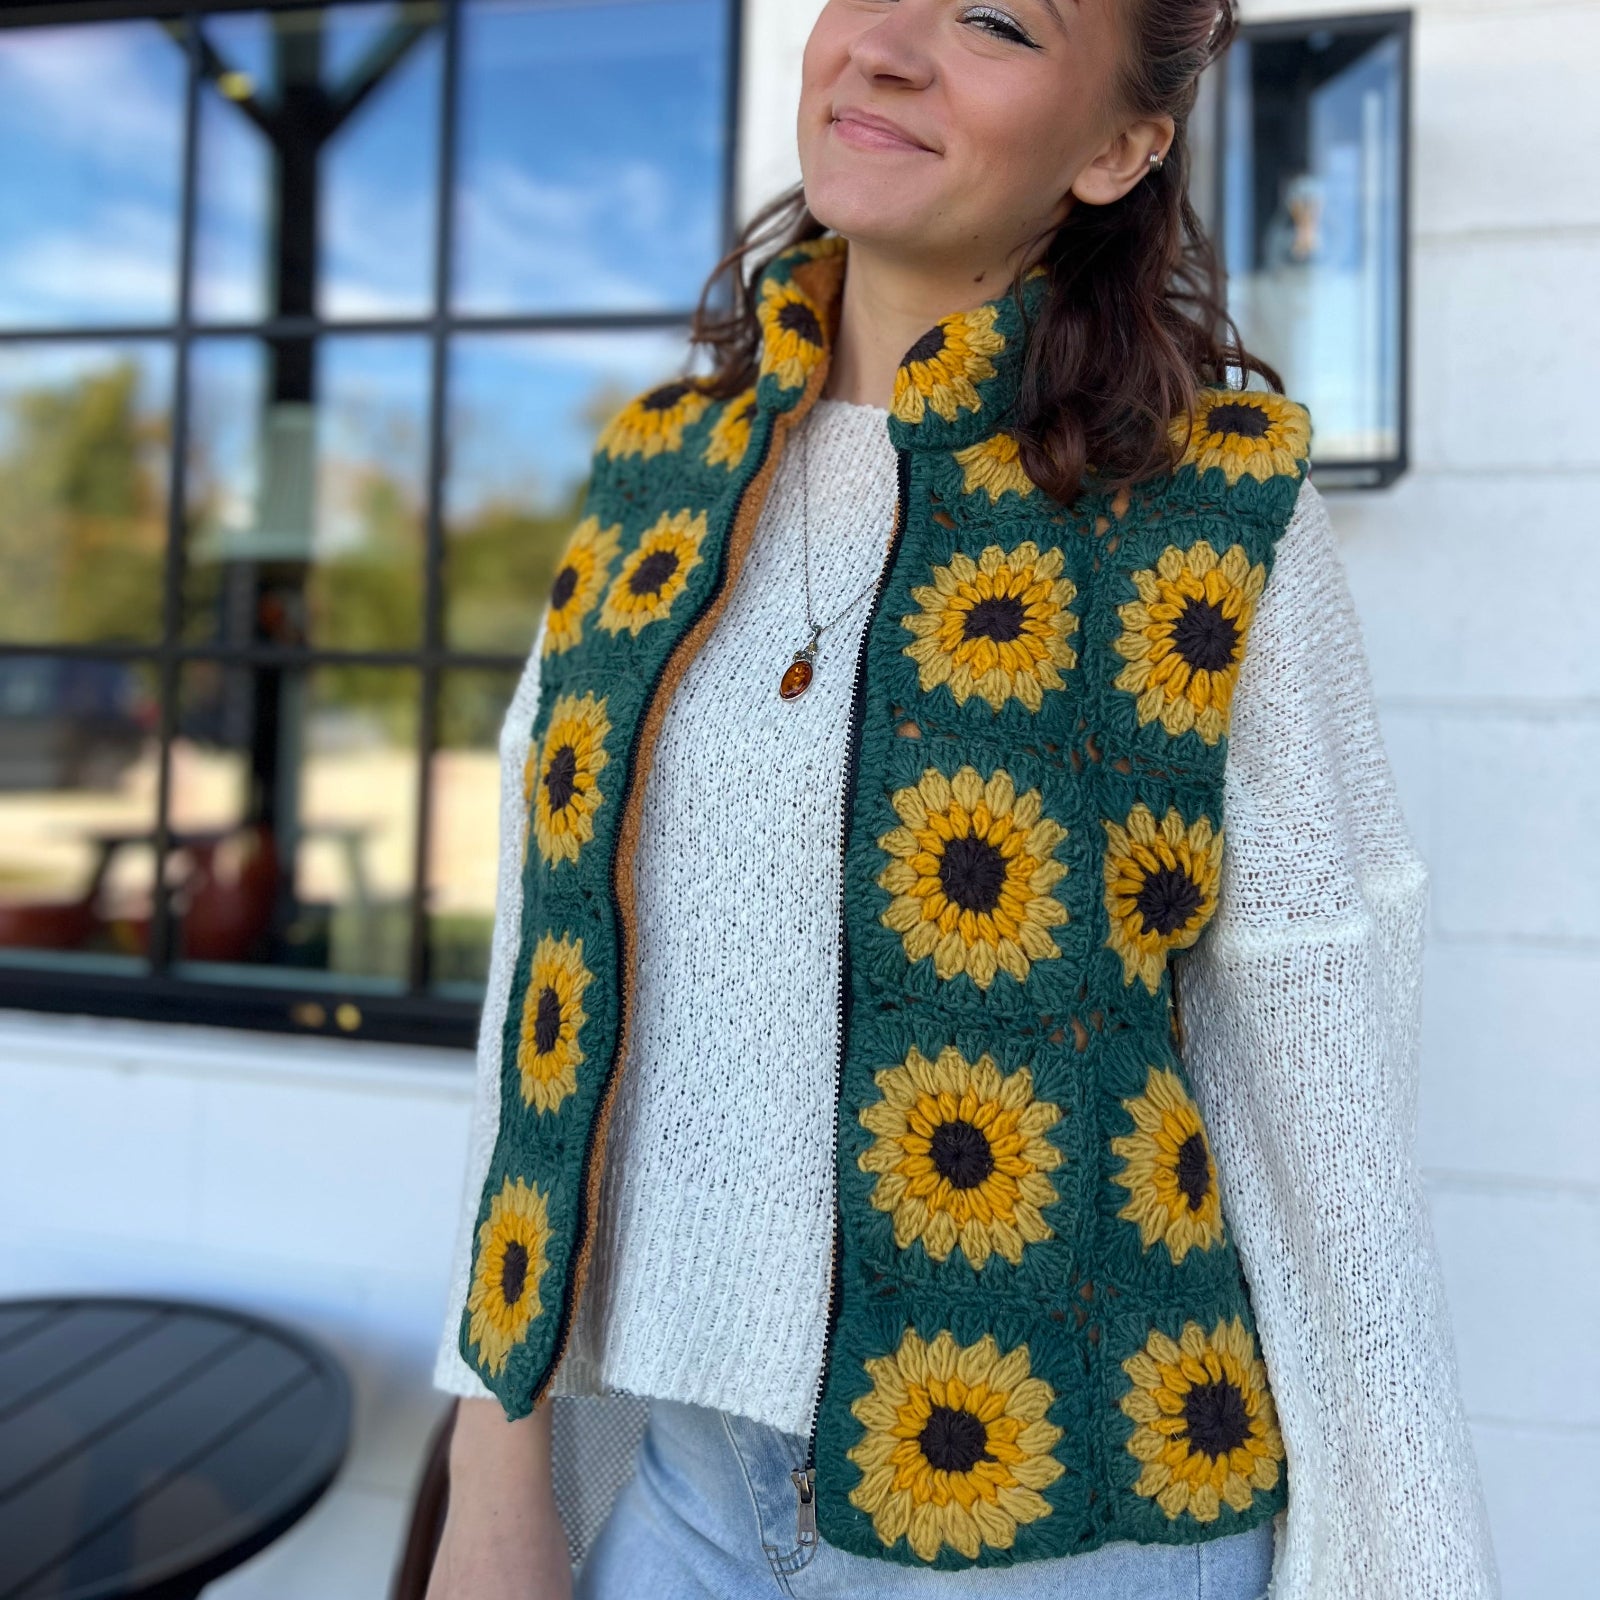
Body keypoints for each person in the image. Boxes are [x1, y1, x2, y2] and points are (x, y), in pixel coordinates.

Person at [425, 1, 1497, 1596]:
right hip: (689, 1502)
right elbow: (539, 999)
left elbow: (1321, 1086)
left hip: (1070, 1524)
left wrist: (1403, 1560)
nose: (887, 46)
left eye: (996, 19)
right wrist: (492, 1476)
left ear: (1120, 146)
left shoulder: (1209, 511)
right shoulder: (659, 477)